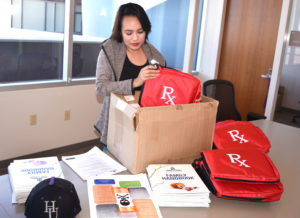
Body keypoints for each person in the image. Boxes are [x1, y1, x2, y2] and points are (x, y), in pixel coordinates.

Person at [94, 3, 166, 148]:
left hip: (146, 123)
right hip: (117, 123)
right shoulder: (109, 50)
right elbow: (101, 88)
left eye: (140, 32)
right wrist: (136, 82)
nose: (135, 38)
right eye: (129, 33)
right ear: (120, 31)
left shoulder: (153, 52)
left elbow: (164, 85)